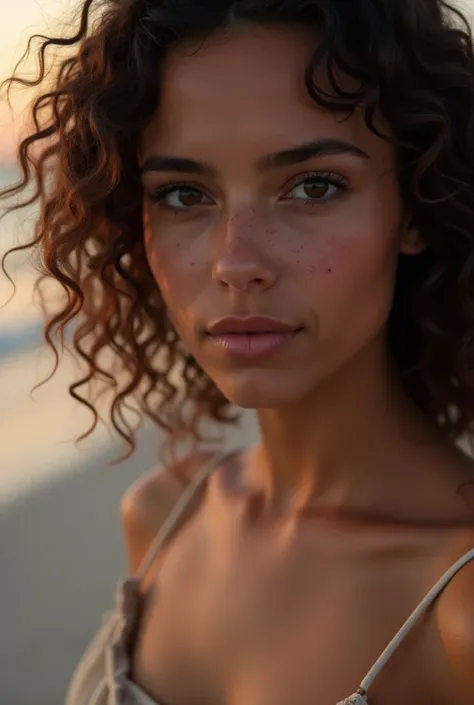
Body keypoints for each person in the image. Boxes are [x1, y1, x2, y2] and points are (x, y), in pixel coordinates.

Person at [2, 0, 474, 702]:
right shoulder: (165, 515)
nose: (235, 261)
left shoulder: (458, 606)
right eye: (185, 193)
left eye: (314, 186)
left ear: (412, 207)